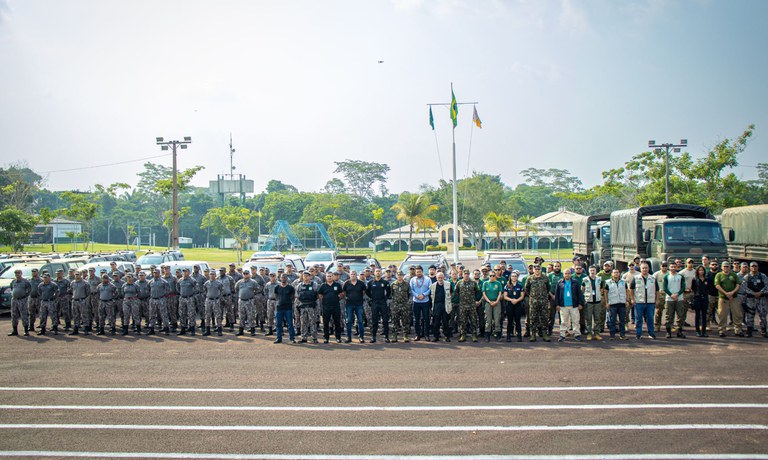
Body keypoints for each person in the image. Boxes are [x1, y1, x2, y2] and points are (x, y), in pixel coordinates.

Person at [630, 261, 659, 340]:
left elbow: (657, 290)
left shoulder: (653, 278)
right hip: (639, 301)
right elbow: (631, 289)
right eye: (643, 268)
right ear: (640, 269)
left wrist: (656, 300)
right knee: (639, 319)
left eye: (646, 268)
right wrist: (632, 299)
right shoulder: (636, 278)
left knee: (650, 318)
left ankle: (651, 333)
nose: (645, 270)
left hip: (650, 302)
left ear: (648, 268)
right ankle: (638, 334)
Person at [555, 268, 584, 342]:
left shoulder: (575, 282)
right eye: (566, 273)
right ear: (563, 274)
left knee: (575, 321)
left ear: (571, 274)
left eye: (568, 273)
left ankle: (577, 334)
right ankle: (562, 335)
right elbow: (557, 294)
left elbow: (579, 294)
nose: (567, 275)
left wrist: (580, 303)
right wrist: (557, 304)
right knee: (563, 321)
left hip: (574, 305)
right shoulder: (560, 283)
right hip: (563, 305)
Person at [715, 261, 743, 338]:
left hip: (734, 297)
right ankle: (722, 330)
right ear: (721, 267)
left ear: (730, 267)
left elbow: (738, 285)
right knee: (722, 315)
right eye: (724, 266)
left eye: (727, 266)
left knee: (737, 314)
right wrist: (726, 293)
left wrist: (732, 293)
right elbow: (717, 285)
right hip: (723, 297)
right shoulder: (719, 275)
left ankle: (738, 330)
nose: (726, 268)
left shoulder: (733, 275)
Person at [525, 265, 551, 342]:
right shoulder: (530, 278)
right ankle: (533, 334)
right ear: (533, 270)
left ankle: (544, 333)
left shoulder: (545, 277)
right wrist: (532, 296)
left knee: (544, 317)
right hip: (533, 301)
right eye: (535, 269)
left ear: (541, 270)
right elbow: (527, 289)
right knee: (533, 318)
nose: (537, 270)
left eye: (538, 269)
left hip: (543, 301)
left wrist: (543, 296)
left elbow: (548, 288)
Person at [743, 262, 768, 338]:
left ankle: (763, 331)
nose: (754, 267)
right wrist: (754, 293)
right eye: (752, 266)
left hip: (762, 299)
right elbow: (744, 287)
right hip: (750, 299)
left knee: (763, 315)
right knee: (750, 315)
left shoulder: (763, 276)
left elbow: (767, 285)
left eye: (755, 266)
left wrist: (760, 292)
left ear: (758, 267)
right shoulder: (746, 277)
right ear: (750, 267)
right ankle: (749, 331)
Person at [367, 268, 392, 343]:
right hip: (374, 303)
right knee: (374, 320)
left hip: (383, 303)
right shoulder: (370, 282)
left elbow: (388, 292)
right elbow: (368, 292)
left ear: (381, 273)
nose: (378, 273)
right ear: (374, 273)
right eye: (376, 271)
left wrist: (385, 298)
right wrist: (372, 298)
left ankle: (386, 336)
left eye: (379, 271)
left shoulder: (385, 282)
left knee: (385, 320)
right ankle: (373, 336)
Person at [455, 269, 479, 343]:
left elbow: (477, 291)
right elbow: (456, 292)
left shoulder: (473, 283)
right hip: (463, 305)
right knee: (462, 321)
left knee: (473, 320)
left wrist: (474, 300)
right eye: (465, 274)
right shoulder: (459, 283)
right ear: (462, 274)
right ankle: (463, 335)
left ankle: (474, 335)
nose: (466, 275)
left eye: (467, 274)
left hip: (472, 305)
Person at [663, 261, 687, 339]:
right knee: (669, 315)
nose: (673, 268)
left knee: (680, 315)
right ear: (669, 268)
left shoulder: (680, 276)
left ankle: (679, 331)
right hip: (669, 299)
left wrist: (677, 294)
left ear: (677, 267)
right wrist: (671, 295)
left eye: (674, 266)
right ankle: (668, 332)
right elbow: (665, 288)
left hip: (679, 298)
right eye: (671, 267)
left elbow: (683, 287)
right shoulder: (666, 277)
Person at [342, 271, 367, 343]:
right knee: (349, 321)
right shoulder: (346, 283)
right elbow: (344, 293)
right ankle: (348, 337)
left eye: (354, 274)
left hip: (359, 304)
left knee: (360, 321)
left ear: (356, 275)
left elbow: (363, 292)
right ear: (349, 275)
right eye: (351, 274)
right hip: (349, 304)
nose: (353, 275)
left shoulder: (361, 283)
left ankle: (361, 337)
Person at [604, 268, 628, 340]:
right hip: (613, 304)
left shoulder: (623, 282)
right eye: (614, 272)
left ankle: (622, 335)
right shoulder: (608, 282)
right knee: (612, 320)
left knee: (622, 320)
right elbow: (605, 292)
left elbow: (627, 291)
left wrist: (627, 300)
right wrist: (606, 302)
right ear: (612, 274)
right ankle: (612, 335)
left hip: (622, 303)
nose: (616, 274)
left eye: (617, 272)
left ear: (619, 274)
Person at [296, 271, 319, 343]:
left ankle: (314, 337)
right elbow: (297, 295)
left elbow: (317, 294)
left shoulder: (314, 284)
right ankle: (304, 337)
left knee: (312, 322)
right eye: (304, 276)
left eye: (307, 276)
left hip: (311, 306)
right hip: (303, 306)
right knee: (303, 322)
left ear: (309, 276)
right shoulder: (299, 285)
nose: (305, 277)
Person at [410, 265, 432, 341]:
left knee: (426, 319)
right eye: (417, 272)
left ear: (422, 272)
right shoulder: (412, 280)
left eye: (420, 271)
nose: (418, 273)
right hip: (416, 302)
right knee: (416, 319)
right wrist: (416, 295)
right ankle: (417, 335)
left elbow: (430, 289)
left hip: (425, 301)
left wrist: (423, 295)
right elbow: (411, 289)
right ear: (415, 272)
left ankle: (426, 335)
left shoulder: (428, 279)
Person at [235, 270, 259, 337]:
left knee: (250, 315)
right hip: (241, 301)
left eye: (246, 274)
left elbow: (257, 289)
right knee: (241, 316)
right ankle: (241, 330)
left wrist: (252, 295)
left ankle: (252, 330)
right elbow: (236, 289)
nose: (245, 275)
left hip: (249, 301)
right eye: (244, 274)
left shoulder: (253, 282)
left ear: (249, 274)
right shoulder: (239, 282)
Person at [429, 271, 452, 342]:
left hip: (445, 304)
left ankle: (447, 336)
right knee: (436, 322)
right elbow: (431, 296)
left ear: (444, 277)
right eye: (439, 277)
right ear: (436, 278)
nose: (440, 278)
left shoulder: (448, 284)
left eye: (441, 277)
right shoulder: (432, 286)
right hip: (436, 305)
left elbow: (451, 293)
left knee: (445, 322)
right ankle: (436, 336)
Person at [481, 270, 504, 341]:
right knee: (488, 320)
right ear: (488, 276)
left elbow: (500, 293)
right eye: (490, 276)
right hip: (488, 303)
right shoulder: (485, 283)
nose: (492, 277)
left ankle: (498, 335)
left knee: (497, 319)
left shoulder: (498, 283)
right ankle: (487, 336)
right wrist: (489, 301)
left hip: (496, 303)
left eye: (493, 276)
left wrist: (496, 301)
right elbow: (484, 293)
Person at [582, 266, 603, 341]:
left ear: (596, 271)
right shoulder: (585, 280)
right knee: (588, 318)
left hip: (597, 301)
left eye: (593, 270)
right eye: (591, 270)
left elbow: (601, 289)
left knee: (597, 318)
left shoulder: (599, 279)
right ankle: (589, 333)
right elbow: (582, 290)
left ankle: (597, 333)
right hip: (589, 301)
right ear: (588, 271)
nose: (592, 272)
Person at [273, 274, 296, 344]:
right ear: (280, 278)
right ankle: (278, 338)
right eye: (282, 277)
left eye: (284, 277)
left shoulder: (290, 288)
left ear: (287, 278)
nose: (283, 278)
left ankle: (292, 338)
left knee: (290, 324)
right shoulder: (277, 287)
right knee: (278, 324)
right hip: (279, 308)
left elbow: (293, 297)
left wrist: (288, 301)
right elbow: (276, 296)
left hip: (288, 308)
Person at [390, 270, 412, 343]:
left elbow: (409, 294)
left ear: (403, 276)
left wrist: (406, 302)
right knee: (395, 321)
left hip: (404, 305)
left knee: (405, 321)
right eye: (398, 275)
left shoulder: (406, 284)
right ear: (396, 276)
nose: (399, 276)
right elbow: (391, 294)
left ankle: (405, 336)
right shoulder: (393, 284)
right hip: (395, 305)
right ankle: (394, 336)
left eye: (401, 275)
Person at [8, 269, 31, 337]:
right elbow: (12, 288)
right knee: (14, 315)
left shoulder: (25, 281)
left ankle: (26, 331)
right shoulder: (13, 281)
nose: (17, 274)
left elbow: (29, 289)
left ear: (21, 273)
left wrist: (24, 297)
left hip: (22, 300)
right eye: (16, 273)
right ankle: (15, 331)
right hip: (14, 300)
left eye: (18, 273)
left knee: (24, 315)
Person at [502, 272, 525, 342]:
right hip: (509, 305)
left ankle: (519, 336)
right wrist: (511, 300)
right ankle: (508, 336)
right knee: (510, 321)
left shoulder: (520, 286)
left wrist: (517, 300)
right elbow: (505, 296)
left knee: (518, 321)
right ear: (510, 277)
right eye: (512, 276)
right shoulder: (507, 286)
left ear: (517, 277)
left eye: (515, 276)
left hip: (518, 305)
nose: (514, 277)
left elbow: (522, 296)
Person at [147, 269, 170, 335]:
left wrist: (162, 295)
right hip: (153, 299)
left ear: (159, 273)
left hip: (161, 299)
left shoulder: (163, 281)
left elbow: (168, 290)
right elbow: (148, 289)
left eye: (156, 273)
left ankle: (166, 328)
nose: (155, 274)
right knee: (152, 314)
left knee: (164, 314)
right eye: (154, 273)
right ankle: (152, 329)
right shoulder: (150, 281)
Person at [177, 268, 198, 336]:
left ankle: (192, 329)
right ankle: (183, 329)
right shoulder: (180, 280)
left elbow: (196, 288)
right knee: (182, 314)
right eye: (183, 272)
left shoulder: (192, 280)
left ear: (188, 272)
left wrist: (192, 295)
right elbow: (177, 288)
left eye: (186, 272)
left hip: (190, 298)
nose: (184, 273)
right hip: (182, 298)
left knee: (191, 314)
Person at [203, 271, 223, 336]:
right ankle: (207, 330)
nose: (211, 275)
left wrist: (218, 298)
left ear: (215, 275)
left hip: (216, 300)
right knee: (207, 315)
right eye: (210, 274)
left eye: (213, 274)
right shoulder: (206, 283)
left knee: (218, 315)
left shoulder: (218, 283)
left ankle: (219, 329)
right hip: (208, 300)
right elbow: (205, 291)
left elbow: (221, 291)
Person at [692, 265, 710, 337]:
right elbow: (693, 288)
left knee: (704, 315)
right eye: (699, 270)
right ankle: (697, 331)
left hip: (705, 298)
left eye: (702, 270)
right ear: (697, 271)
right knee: (698, 315)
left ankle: (704, 331)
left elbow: (709, 288)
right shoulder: (695, 279)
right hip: (697, 298)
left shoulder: (707, 279)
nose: (701, 272)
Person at [653, 262, 670, 333]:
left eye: (666, 266)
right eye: (663, 266)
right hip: (660, 294)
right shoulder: (656, 274)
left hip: (668, 294)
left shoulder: (669, 274)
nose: (664, 267)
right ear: (660, 266)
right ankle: (657, 326)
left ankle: (669, 326)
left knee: (669, 311)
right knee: (658, 311)